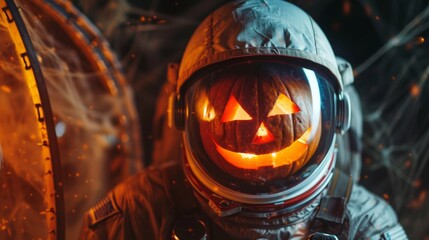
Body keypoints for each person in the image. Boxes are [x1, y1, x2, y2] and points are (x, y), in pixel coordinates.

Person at [79, 0, 408, 239]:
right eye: (235, 113)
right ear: (182, 116)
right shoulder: (139, 213)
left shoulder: (367, 227)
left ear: (336, 116)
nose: (262, 132)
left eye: (283, 111)